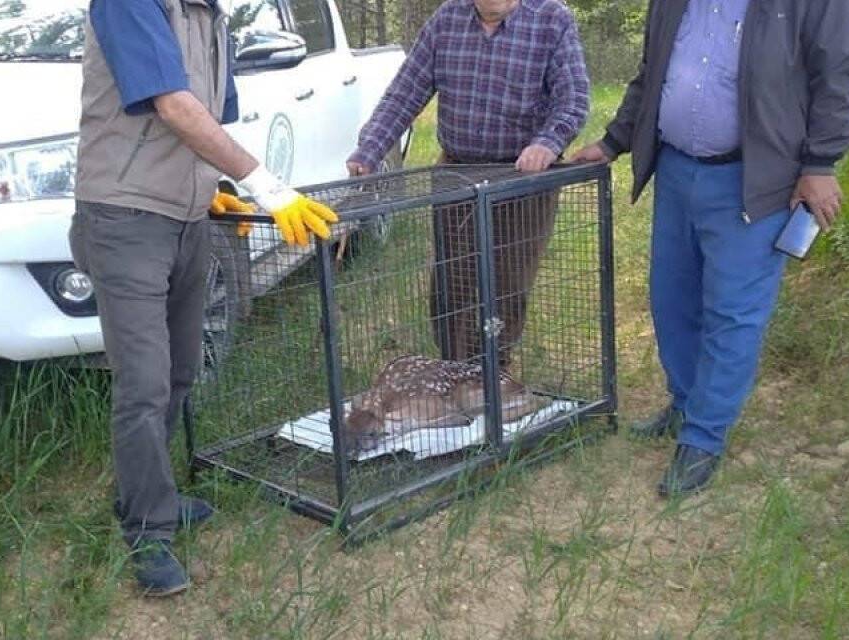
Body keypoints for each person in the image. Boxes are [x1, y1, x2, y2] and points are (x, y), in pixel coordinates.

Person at [75, 0, 338, 597]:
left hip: (191, 216)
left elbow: (212, 119)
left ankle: (151, 492)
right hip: (125, 216)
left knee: (183, 369)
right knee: (143, 381)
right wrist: (267, 187)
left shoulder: (211, 17)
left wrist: (216, 186)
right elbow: (173, 106)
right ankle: (147, 529)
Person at [572, 0, 849, 497]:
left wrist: (820, 163)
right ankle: (686, 402)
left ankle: (703, 438)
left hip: (754, 181)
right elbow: (652, 75)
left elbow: (840, 73)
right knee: (672, 301)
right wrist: (612, 142)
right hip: (678, 171)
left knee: (733, 313)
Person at [347, 0, 589, 365]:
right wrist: (369, 150)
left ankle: (493, 369)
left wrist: (546, 143)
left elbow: (573, 99)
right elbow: (403, 94)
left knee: (509, 282)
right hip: (457, 173)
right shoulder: (447, 19)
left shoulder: (552, 20)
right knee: (452, 283)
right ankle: (454, 370)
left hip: (521, 178)